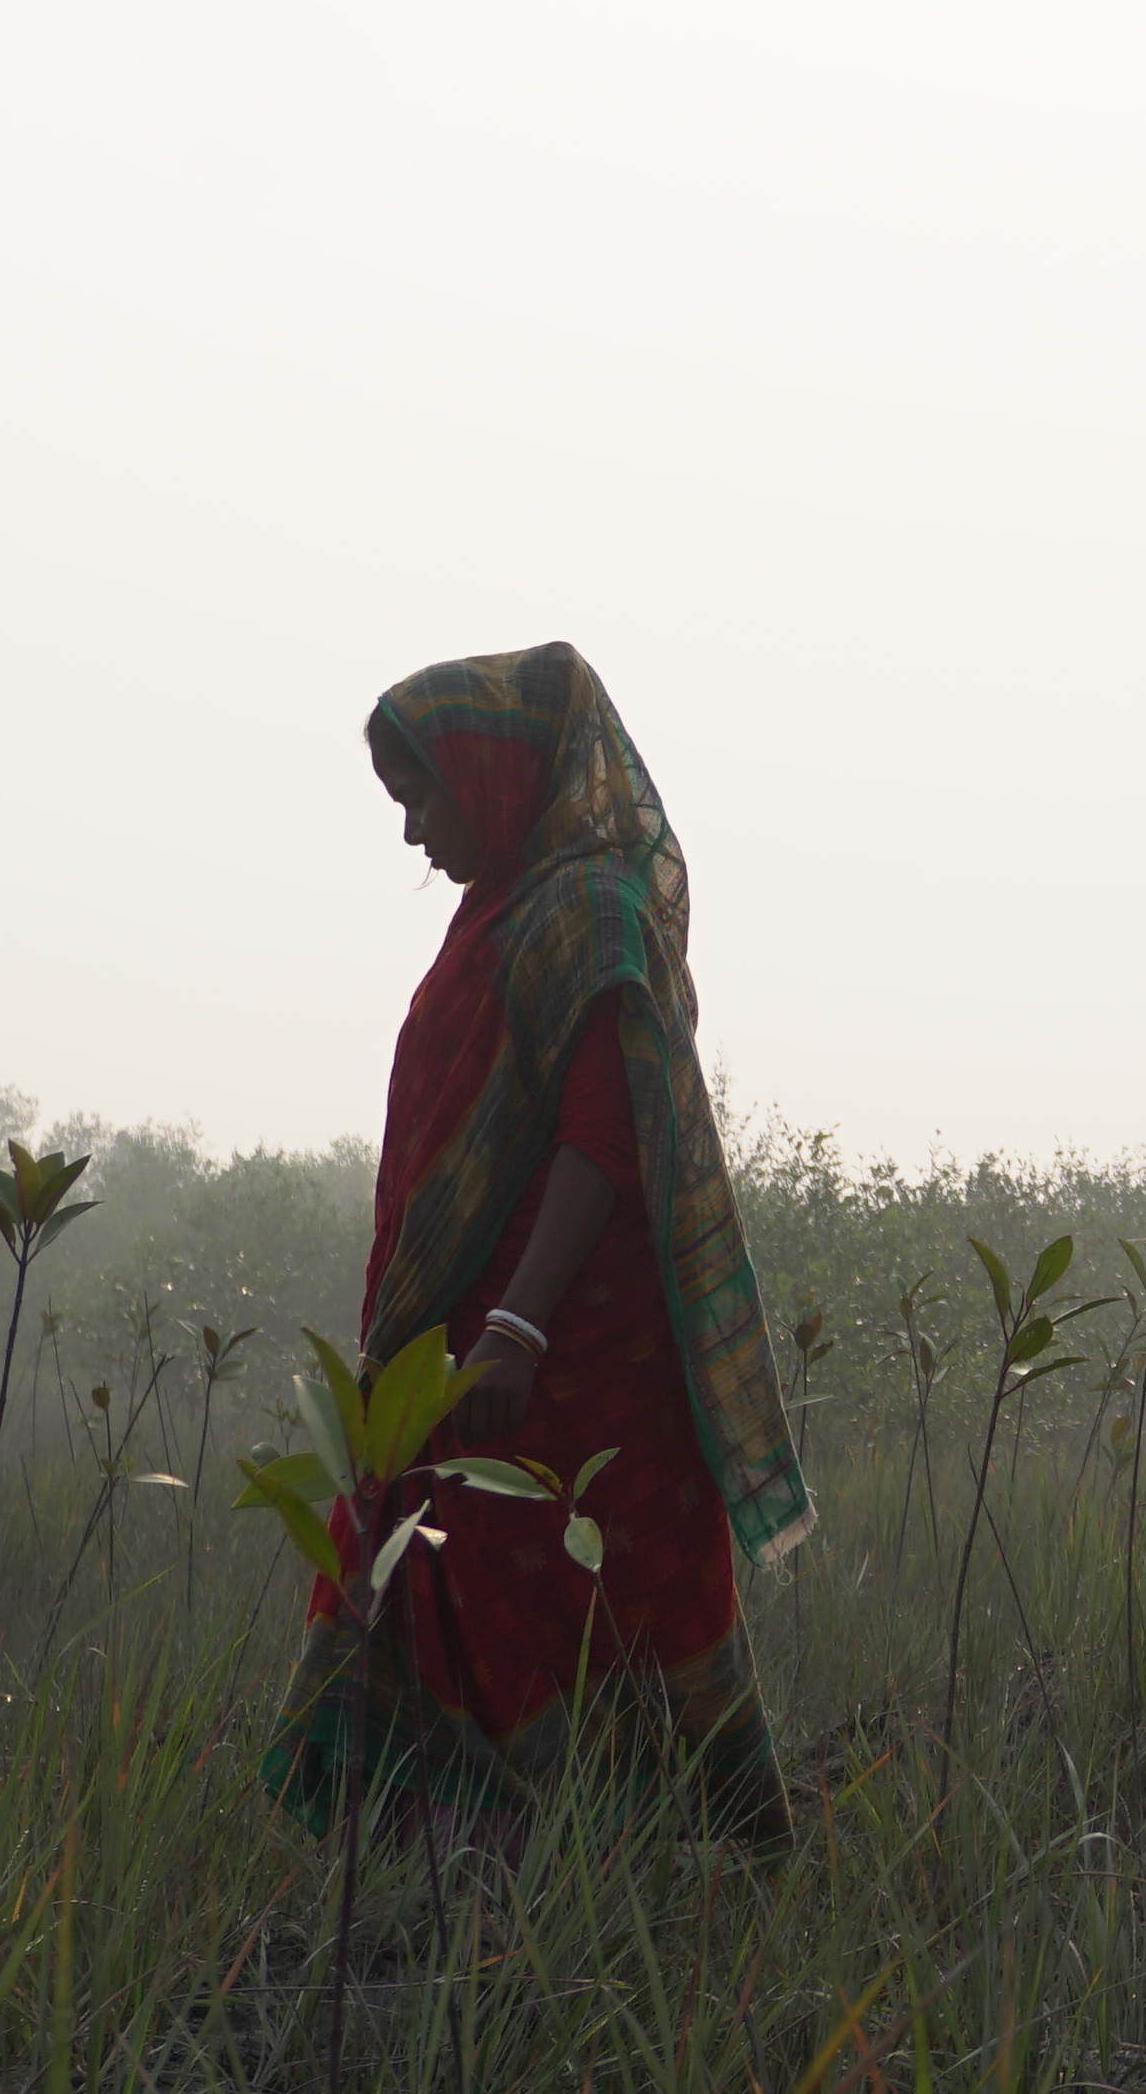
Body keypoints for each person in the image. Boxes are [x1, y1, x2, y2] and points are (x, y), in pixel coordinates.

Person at [264, 644, 805, 1846]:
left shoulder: (586, 909)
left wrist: (515, 1324)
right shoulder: (494, 914)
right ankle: (445, 1874)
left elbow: (605, 1135)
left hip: (565, 1364)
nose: (413, 830)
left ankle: (622, 1866)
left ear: (496, 774)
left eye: (425, 793)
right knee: (440, 1580)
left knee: (584, 1601)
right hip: (472, 1353)